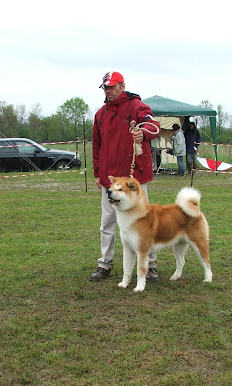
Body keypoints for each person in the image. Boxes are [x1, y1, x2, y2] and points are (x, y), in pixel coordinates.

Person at [90, 71, 161, 282]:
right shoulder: (100, 114)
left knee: (143, 220)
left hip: (133, 179)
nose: (108, 91)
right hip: (110, 179)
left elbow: (153, 126)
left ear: (122, 86)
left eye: (112, 87)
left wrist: (143, 133)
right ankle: (105, 264)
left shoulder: (137, 106)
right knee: (107, 223)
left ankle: (150, 265)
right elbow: (96, 146)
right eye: (106, 87)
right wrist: (97, 173)